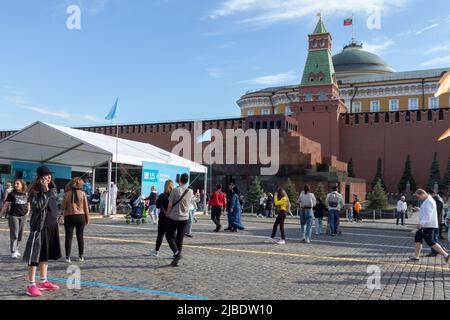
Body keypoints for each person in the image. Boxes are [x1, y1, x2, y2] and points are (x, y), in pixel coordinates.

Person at [23, 166, 62, 298]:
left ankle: (43, 281)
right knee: (34, 256)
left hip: (51, 226)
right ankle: (31, 284)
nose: (48, 177)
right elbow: (39, 206)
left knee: (45, 254)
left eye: (50, 175)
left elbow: (54, 206)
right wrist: (45, 191)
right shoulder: (34, 191)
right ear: (40, 177)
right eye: (46, 175)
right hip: (39, 227)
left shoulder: (52, 189)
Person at [410, 189, 449, 263]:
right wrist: (420, 209)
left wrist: (421, 224)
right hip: (424, 225)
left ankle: (446, 255)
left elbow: (428, 215)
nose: (418, 198)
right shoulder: (427, 200)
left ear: (422, 194)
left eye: (418, 197)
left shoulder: (429, 201)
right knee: (418, 238)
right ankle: (416, 257)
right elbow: (426, 211)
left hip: (428, 225)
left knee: (430, 241)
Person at [165, 173, 193, 267]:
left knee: (169, 235)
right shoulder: (190, 191)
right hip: (185, 217)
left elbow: (169, 205)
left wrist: (167, 213)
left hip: (174, 217)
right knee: (180, 238)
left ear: (180, 180)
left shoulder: (175, 190)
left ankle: (177, 253)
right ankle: (176, 257)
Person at [62, 177, 90, 263]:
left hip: (69, 216)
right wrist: (87, 219)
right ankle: (81, 256)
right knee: (80, 237)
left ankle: (67, 257)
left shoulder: (66, 194)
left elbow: (63, 207)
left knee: (68, 237)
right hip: (80, 216)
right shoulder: (83, 193)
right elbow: (86, 208)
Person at [0, 179, 30, 259]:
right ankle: (13, 251)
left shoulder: (26, 194)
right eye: (15, 183)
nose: (15, 185)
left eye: (17, 183)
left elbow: (28, 203)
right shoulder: (11, 194)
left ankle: (16, 249)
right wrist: (0, 215)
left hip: (23, 216)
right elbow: (6, 205)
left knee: (20, 235)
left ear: (22, 184)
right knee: (14, 234)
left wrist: (28, 212)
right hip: (13, 216)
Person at [150, 180, 174, 257]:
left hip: (163, 217)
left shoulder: (161, 195)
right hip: (172, 218)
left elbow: (157, 206)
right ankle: (175, 251)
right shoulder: (174, 195)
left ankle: (156, 251)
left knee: (160, 235)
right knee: (172, 236)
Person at [428, 190, 445, 257]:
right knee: (435, 237)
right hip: (437, 221)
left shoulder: (438, 200)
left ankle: (435, 251)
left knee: (433, 237)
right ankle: (438, 250)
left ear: (433, 194)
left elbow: (437, 213)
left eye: (429, 194)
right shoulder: (438, 199)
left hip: (436, 222)